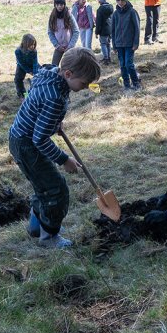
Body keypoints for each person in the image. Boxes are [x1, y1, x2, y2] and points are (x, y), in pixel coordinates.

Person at [8, 48, 101, 249]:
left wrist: (53, 122)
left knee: (42, 185)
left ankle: (37, 226)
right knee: (55, 189)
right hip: (27, 145)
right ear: (68, 74)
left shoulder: (50, 75)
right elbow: (40, 139)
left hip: (19, 138)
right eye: (84, 83)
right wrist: (64, 159)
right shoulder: (55, 98)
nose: (85, 87)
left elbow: (38, 107)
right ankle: (49, 235)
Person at [111, 0, 141, 90]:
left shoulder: (132, 12)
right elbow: (113, 31)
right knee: (122, 65)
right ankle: (127, 84)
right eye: (118, 0)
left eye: (122, 0)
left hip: (129, 44)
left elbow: (137, 28)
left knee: (129, 64)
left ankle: (136, 83)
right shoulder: (115, 14)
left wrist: (136, 43)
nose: (120, 2)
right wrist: (114, 45)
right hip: (119, 44)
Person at [47, 0, 79, 66]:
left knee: (70, 66)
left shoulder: (69, 15)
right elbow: (50, 32)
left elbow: (76, 31)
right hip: (59, 47)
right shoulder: (52, 17)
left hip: (69, 47)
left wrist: (70, 46)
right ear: (55, 5)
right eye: (57, 4)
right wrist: (57, 45)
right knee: (54, 66)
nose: (59, 6)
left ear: (64, 5)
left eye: (61, 4)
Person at [14, 34, 40, 99]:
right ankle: (22, 94)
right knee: (18, 79)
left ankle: (38, 92)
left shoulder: (34, 51)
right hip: (22, 66)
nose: (33, 46)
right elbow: (21, 64)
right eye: (31, 44)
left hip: (32, 64)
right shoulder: (18, 51)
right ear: (25, 44)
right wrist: (29, 71)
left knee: (40, 74)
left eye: (34, 44)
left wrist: (35, 73)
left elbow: (35, 62)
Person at [95, 0, 114, 65]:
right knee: (108, 44)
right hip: (110, 29)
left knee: (103, 44)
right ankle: (109, 57)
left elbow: (98, 22)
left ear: (100, 0)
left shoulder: (100, 9)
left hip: (103, 31)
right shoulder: (111, 7)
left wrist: (96, 32)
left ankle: (106, 58)